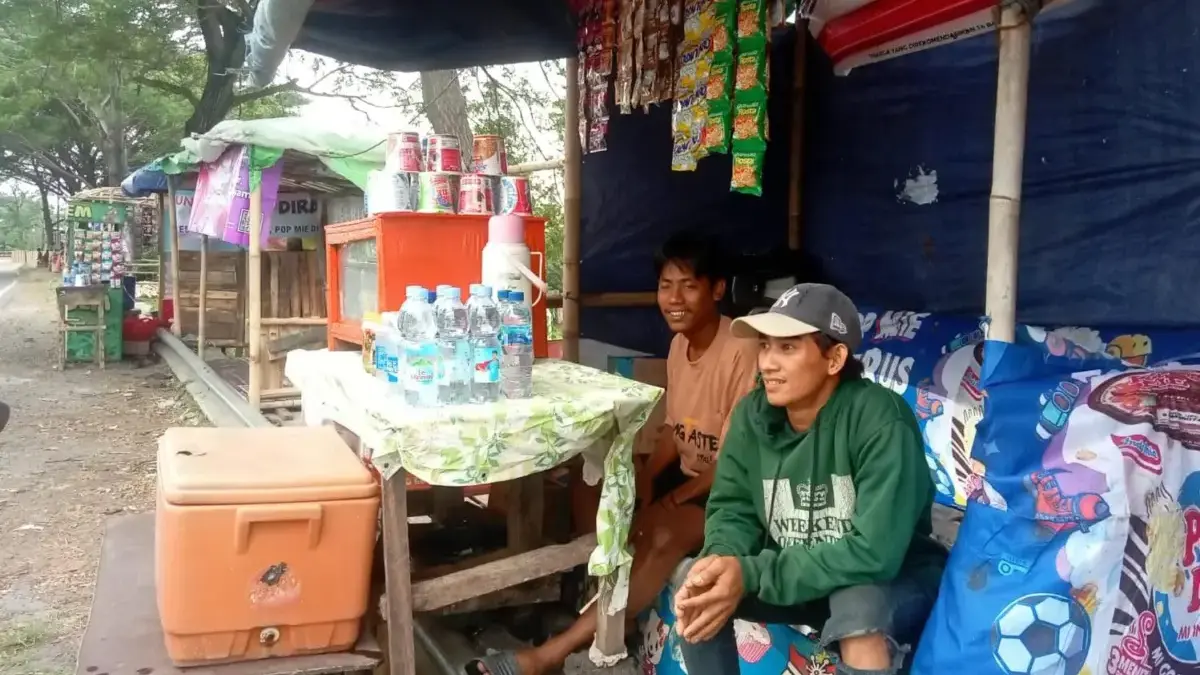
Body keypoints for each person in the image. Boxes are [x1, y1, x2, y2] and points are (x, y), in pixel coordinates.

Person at [466, 233, 760, 675]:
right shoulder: (681, 345)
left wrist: (665, 503)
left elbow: (736, 464)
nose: (674, 299)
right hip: (689, 474)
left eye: (688, 285)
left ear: (718, 289)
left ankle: (549, 655)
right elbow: (674, 434)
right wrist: (642, 478)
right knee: (591, 486)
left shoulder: (743, 351)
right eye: (665, 285)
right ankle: (603, 604)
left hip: (731, 488)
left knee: (659, 534)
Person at [673, 283, 947, 675]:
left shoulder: (879, 419)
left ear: (834, 358)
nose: (767, 362)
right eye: (765, 346)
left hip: (892, 578)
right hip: (800, 574)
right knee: (698, 583)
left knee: (859, 609)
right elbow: (733, 509)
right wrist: (722, 560)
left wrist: (751, 572)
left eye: (787, 347)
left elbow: (874, 553)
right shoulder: (753, 415)